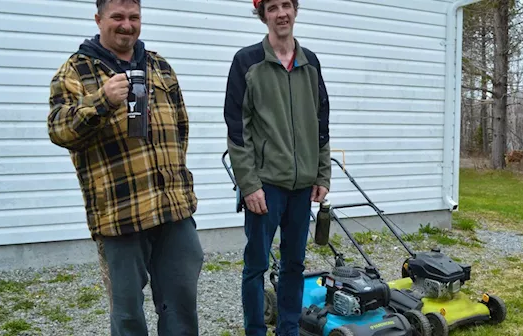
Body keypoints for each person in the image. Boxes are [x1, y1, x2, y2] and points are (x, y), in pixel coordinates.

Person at [46, 0, 204, 335]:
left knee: (181, 308)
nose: (126, 25)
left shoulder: (158, 66)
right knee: (128, 315)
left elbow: (181, 128)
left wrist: (176, 178)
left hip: (173, 210)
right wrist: (102, 101)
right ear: (99, 19)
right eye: (117, 17)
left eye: (134, 17)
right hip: (120, 215)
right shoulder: (75, 71)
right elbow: (59, 130)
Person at [223, 0, 331, 335]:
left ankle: (288, 329)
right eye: (273, 7)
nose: (281, 13)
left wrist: (322, 173)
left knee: (295, 265)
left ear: (295, 10)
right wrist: (249, 184)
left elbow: (321, 122)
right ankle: (255, 330)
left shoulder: (310, 62)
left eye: (287, 4)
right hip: (265, 186)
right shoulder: (247, 62)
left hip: (302, 186)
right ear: (263, 15)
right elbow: (237, 129)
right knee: (255, 266)